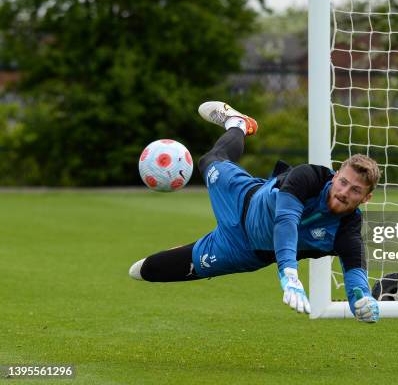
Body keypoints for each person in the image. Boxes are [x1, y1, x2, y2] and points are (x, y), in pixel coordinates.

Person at [129, 101, 381, 322]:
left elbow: (355, 273)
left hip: (242, 251)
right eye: (343, 182)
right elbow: (286, 221)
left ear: (366, 198)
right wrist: (289, 273)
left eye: (356, 191)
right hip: (241, 197)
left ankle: (195, 247)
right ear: (335, 175)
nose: (345, 192)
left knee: (148, 270)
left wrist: (362, 300)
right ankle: (238, 123)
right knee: (209, 160)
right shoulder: (308, 176)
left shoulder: (348, 230)